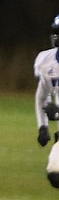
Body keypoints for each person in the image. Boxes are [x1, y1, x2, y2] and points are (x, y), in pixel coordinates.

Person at [34, 14, 59, 188]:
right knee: (55, 175)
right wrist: (42, 126)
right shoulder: (45, 61)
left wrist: (57, 113)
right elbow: (41, 96)